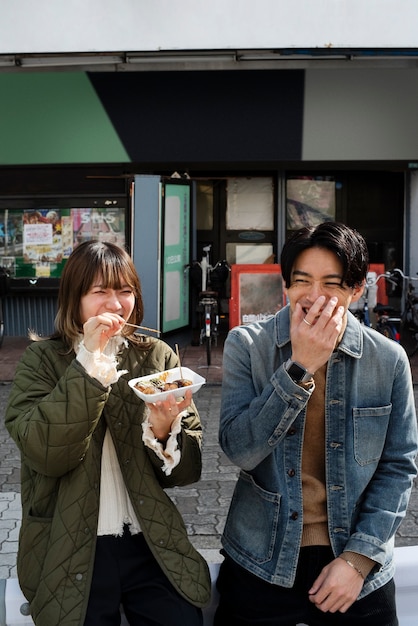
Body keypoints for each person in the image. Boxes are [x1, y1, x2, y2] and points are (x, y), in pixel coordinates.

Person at [214, 221, 418, 626]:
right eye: (302, 281)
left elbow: (399, 467)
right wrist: (300, 366)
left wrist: (358, 561)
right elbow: (238, 449)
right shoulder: (247, 346)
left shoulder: (389, 359)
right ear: (286, 285)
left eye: (332, 283)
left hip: (358, 559)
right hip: (260, 556)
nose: (314, 296)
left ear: (356, 289)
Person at [5, 241, 211, 626]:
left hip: (148, 538)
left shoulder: (157, 356)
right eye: (100, 291)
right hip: (66, 543)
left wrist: (165, 429)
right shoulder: (42, 361)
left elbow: (187, 473)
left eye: (124, 290)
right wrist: (88, 360)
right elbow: (47, 453)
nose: (115, 305)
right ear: (74, 299)